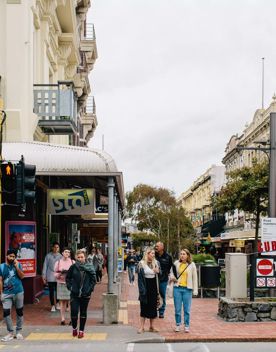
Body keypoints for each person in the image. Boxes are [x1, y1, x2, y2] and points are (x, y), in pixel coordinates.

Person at [66, 249, 96, 339]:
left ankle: (81, 331)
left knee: (83, 312)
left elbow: (93, 280)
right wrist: (70, 287)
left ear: (85, 257)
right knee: (74, 312)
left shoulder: (90, 267)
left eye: (82, 257)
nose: (80, 259)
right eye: (78, 257)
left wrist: (89, 290)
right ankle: (74, 328)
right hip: (74, 294)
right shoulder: (73, 267)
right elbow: (68, 278)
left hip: (85, 294)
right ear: (76, 257)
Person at [170, 248, 198, 333]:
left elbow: (195, 278)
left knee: (187, 310)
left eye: (184, 254)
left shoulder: (192, 265)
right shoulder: (176, 263)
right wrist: (173, 278)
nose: (182, 255)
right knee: (177, 309)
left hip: (187, 289)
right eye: (181, 254)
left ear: (188, 255)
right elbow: (171, 273)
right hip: (177, 289)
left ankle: (186, 325)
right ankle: (178, 325)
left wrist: (195, 290)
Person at [0, 249, 25, 342]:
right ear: (6, 256)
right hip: (6, 293)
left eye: (14, 256)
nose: (12, 258)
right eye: (10, 256)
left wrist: (17, 267)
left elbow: (22, 276)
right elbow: (0, 280)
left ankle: (18, 332)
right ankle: (10, 332)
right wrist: (1, 293)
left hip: (18, 292)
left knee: (19, 312)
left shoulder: (18, 265)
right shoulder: (1, 267)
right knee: (6, 312)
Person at [137, 247, 160, 334]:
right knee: (143, 307)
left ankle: (151, 326)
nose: (153, 255)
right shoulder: (141, 263)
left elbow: (160, 274)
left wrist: (157, 271)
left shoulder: (156, 263)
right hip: (145, 286)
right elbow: (139, 279)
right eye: (152, 253)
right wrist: (142, 291)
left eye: (154, 253)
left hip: (153, 286)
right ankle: (141, 327)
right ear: (147, 254)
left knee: (153, 307)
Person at [54, 247, 75, 325]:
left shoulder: (73, 262)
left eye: (68, 252)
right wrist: (60, 273)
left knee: (70, 302)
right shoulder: (58, 262)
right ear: (62, 253)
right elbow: (55, 274)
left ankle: (71, 319)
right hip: (61, 283)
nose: (67, 253)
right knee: (62, 302)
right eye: (66, 252)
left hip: (70, 284)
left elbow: (76, 273)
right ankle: (62, 319)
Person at [42, 242, 62, 312]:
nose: (56, 249)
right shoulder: (48, 256)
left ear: (59, 248)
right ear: (52, 247)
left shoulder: (61, 256)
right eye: (55, 247)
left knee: (58, 291)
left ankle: (57, 303)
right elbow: (45, 266)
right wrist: (44, 276)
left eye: (57, 247)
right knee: (51, 291)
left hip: (58, 276)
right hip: (50, 275)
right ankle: (52, 305)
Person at [155, 241, 173, 318]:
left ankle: (161, 311)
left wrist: (166, 273)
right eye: (155, 246)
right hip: (154, 279)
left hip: (163, 279)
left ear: (162, 247)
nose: (156, 248)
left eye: (157, 246)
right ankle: (154, 310)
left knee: (162, 295)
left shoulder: (168, 256)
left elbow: (170, 267)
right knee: (154, 295)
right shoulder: (154, 255)